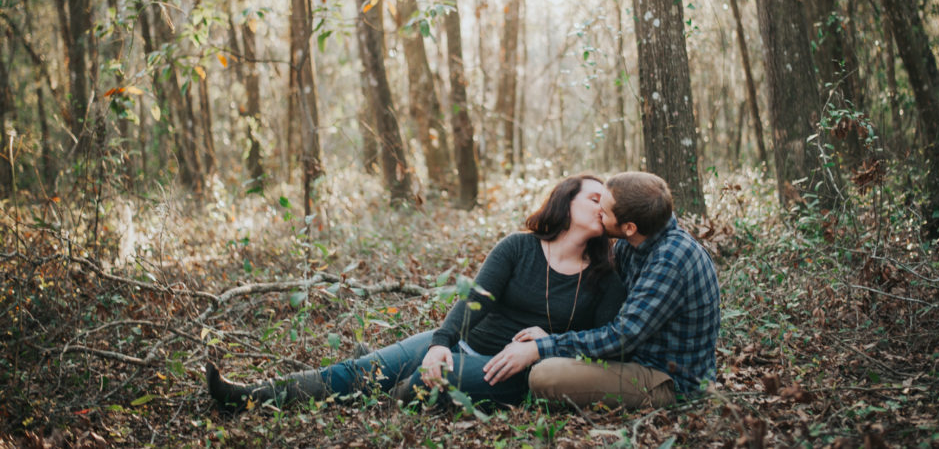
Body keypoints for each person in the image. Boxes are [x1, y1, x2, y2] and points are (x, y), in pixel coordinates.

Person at [206, 174, 626, 411]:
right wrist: (441, 343)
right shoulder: (518, 247)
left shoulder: (606, 275)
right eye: (592, 197)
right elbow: (473, 301)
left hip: (512, 371)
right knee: (359, 371)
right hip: (467, 342)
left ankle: (407, 396)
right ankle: (249, 395)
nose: (600, 207)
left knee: (421, 387)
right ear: (565, 200)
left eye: (604, 203)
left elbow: (604, 343)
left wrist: (548, 345)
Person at [482, 171, 720, 409]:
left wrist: (542, 347)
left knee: (545, 375)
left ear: (628, 227)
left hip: (667, 380)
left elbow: (621, 336)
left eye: (604, 211)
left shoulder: (671, 260)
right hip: (631, 360)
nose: (598, 213)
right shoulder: (634, 242)